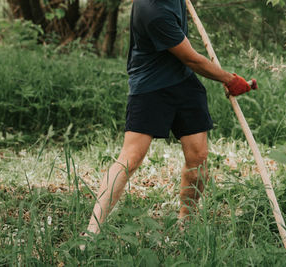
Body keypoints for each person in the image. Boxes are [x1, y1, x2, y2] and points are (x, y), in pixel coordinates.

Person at [84, 0, 255, 237]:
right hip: (150, 86)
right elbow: (193, 59)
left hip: (184, 83)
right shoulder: (152, 11)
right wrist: (230, 79)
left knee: (198, 158)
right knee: (130, 158)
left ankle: (187, 223)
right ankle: (92, 230)